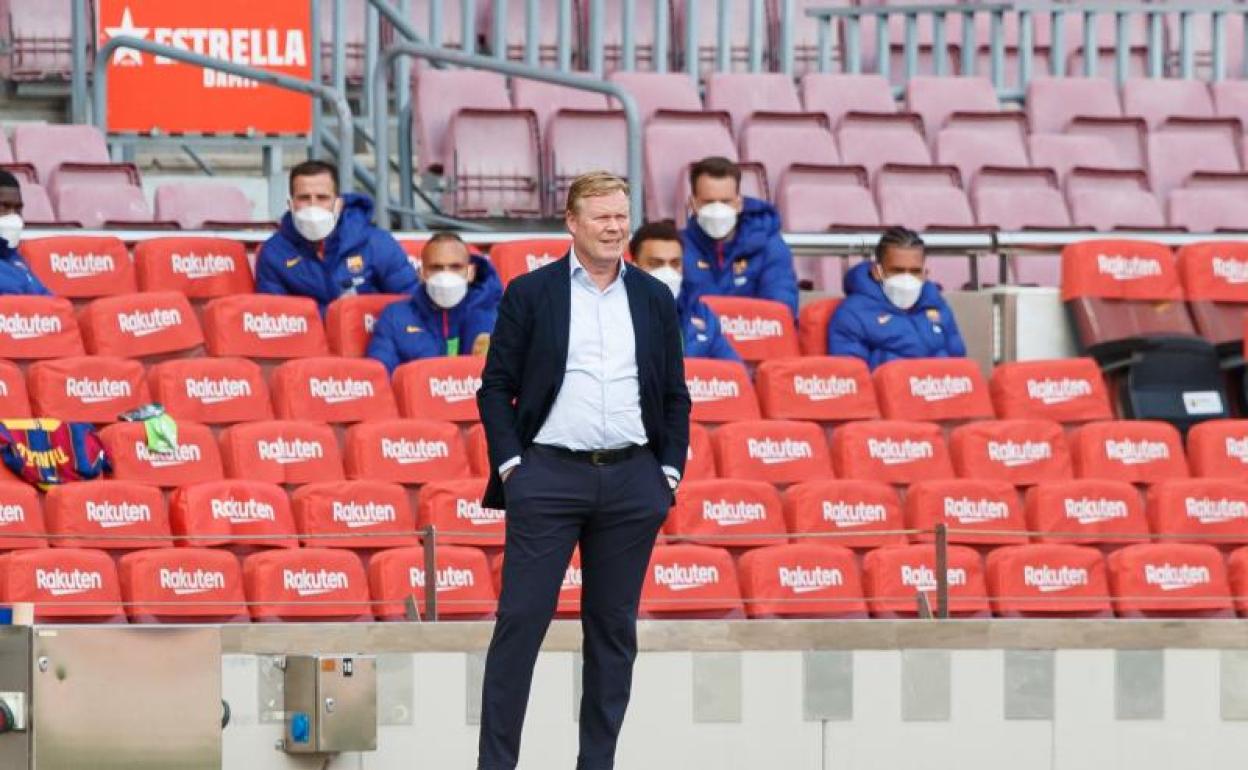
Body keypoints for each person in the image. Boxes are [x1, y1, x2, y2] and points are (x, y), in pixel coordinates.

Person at [476, 171, 690, 770]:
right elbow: (495, 387)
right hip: (547, 477)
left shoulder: (653, 297)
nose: (615, 228)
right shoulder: (530, 292)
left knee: (613, 633)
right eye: (602, 217)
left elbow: (675, 394)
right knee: (520, 623)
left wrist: (667, 474)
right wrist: (513, 467)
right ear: (572, 222)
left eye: (621, 216)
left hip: (632, 481)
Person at [255, 159, 418, 310]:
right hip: (310, 332)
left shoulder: (376, 243)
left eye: (322, 198)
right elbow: (276, 317)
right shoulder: (273, 253)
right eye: (304, 198)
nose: (313, 205)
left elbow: (410, 304)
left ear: (338, 204)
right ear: (291, 204)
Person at [827, 226, 967, 370]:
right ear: (877, 272)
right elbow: (852, 374)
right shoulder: (852, 314)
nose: (907, 278)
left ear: (925, 273)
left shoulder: (938, 307)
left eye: (915, 271)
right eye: (897, 271)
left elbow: (959, 363)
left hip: (939, 383)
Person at [366, 232, 502, 374]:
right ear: (422, 273)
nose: (446, 275)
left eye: (455, 267)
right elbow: (380, 376)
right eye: (436, 268)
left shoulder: (496, 317)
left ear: (470, 272)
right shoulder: (395, 317)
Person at [679, 156, 798, 317]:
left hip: (754, 332)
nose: (717, 210)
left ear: (739, 203)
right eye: (709, 202)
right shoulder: (679, 249)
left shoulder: (769, 246)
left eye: (725, 202)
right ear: (692, 204)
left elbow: (781, 309)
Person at [629, 220, 741, 362]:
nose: (667, 271)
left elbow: (733, 369)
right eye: (656, 264)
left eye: (675, 263)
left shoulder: (701, 313)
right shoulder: (616, 313)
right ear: (634, 267)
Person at [0, 170, 47, 296]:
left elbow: (47, 298)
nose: (13, 216)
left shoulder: (16, 259)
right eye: (4, 207)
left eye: (18, 209)